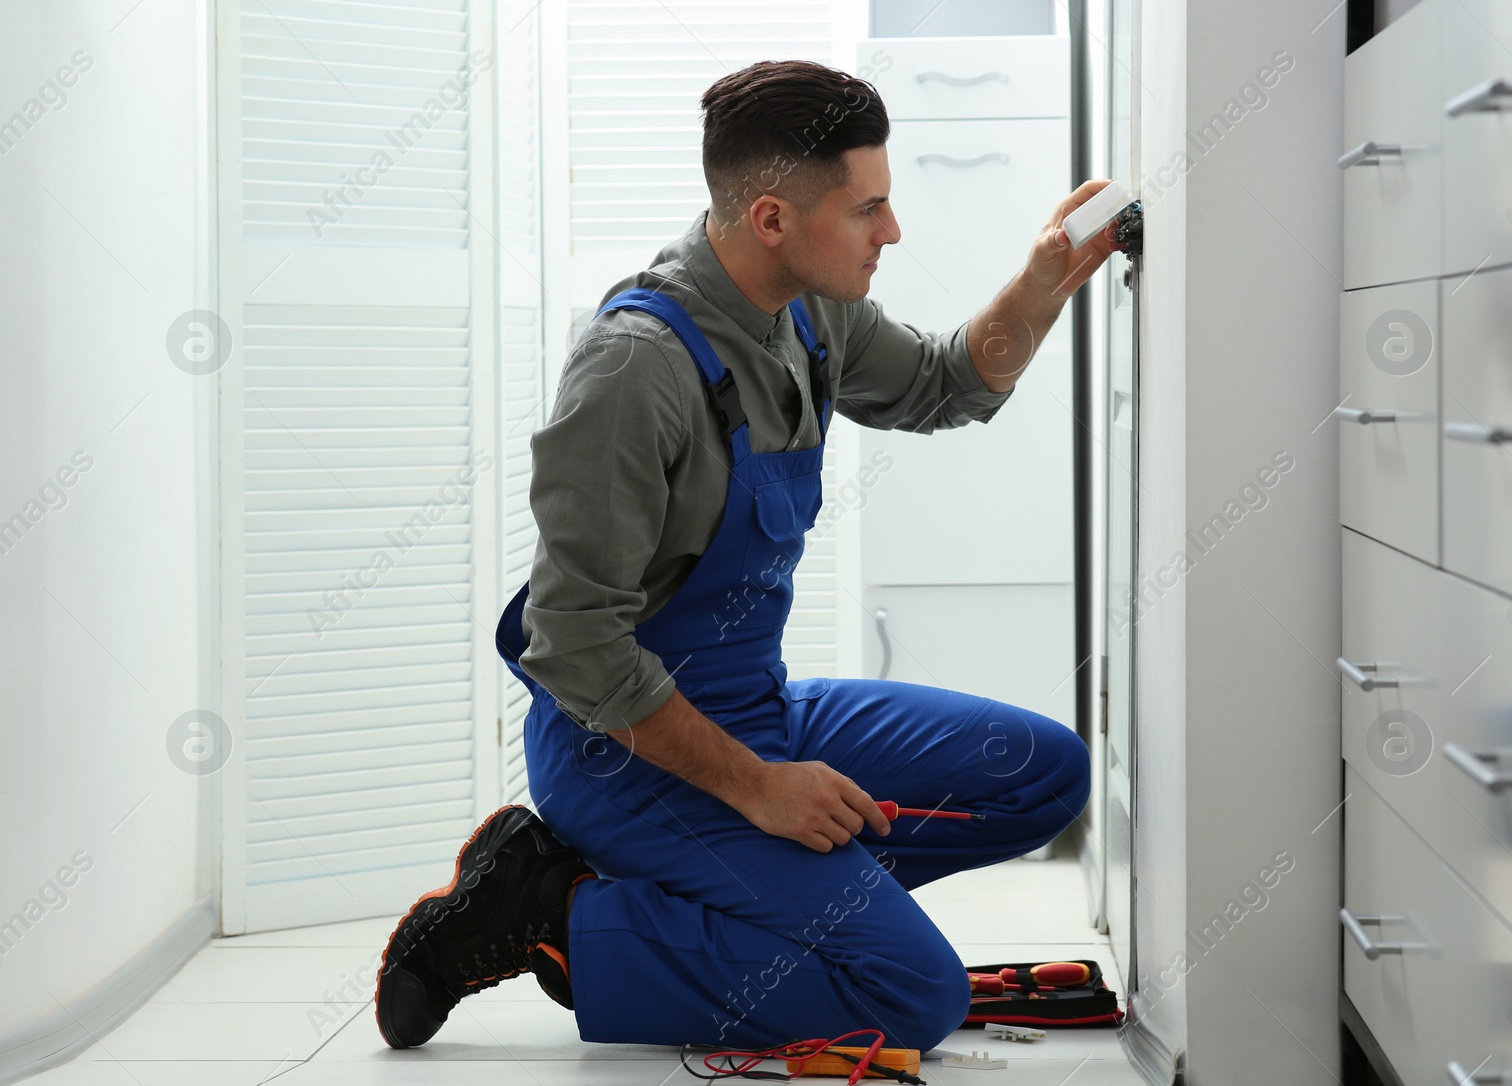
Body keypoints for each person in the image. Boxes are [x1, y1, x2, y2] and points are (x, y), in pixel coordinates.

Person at [375, 58, 1120, 1056]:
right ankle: (550, 908)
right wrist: (757, 789)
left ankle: (784, 925)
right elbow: (573, 646)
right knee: (913, 999)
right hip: (622, 753)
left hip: (752, 709)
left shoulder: (812, 313)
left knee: (1041, 773)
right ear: (771, 220)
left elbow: (943, 384)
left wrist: (1040, 284)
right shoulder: (635, 371)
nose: (890, 233)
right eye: (869, 209)